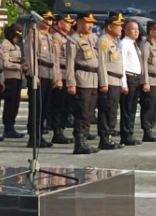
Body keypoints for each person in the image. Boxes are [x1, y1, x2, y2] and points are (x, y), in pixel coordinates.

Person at [24, 10, 61, 148]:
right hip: (39, 73)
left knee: (45, 108)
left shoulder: (50, 37)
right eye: (46, 19)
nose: (49, 22)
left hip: (48, 73)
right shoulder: (34, 34)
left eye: (51, 19)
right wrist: (34, 74)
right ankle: (33, 137)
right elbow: (31, 55)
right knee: (36, 108)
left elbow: (55, 59)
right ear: (39, 20)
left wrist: (56, 77)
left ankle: (40, 135)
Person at [66, 12, 100, 154]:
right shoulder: (73, 39)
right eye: (87, 22)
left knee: (90, 112)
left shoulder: (93, 38)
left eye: (92, 23)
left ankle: (85, 139)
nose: (91, 25)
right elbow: (69, 62)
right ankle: (79, 142)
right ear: (79, 23)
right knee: (82, 112)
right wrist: (71, 82)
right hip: (81, 78)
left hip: (93, 78)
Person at [96, 13, 125, 150]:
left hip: (116, 80)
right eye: (118, 26)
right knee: (106, 110)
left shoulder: (114, 42)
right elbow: (101, 63)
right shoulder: (103, 41)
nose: (121, 29)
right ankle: (104, 138)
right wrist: (103, 82)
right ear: (109, 27)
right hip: (109, 80)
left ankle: (109, 136)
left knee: (113, 110)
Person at [49, 13, 76, 144]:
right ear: (60, 24)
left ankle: (61, 129)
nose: (70, 24)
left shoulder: (66, 38)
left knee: (66, 105)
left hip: (67, 75)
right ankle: (57, 132)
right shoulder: (56, 37)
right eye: (67, 22)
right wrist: (57, 77)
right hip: (61, 74)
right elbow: (55, 60)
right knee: (58, 105)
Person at [139, 20, 156, 142]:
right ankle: (147, 130)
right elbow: (143, 64)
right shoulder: (146, 45)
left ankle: (151, 128)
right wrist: (145, 81)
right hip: (150, 79)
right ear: (151, 32)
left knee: (155, 106)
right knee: (148, 106)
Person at [0, 23, 26, 139]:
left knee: (15, 104)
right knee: (10, 103)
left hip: (18, 77)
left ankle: (12, 126)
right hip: (9, 77)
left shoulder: (17, 47)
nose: (17, 38)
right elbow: (5, 63)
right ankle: (8, 127)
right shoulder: (5, 45)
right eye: (16, 36)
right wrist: (19, 66)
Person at [119, 18, 143, 146]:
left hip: (136, 78)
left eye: (137, 29)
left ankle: (130, 132)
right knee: (127, 108)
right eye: (133, 29)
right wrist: (124, 83)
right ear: (126, 30)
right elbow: (121, 64)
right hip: (128, 77)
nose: (136, 32)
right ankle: (126, 134)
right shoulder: (124, 43)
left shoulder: (134, 43)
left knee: (133, 108)